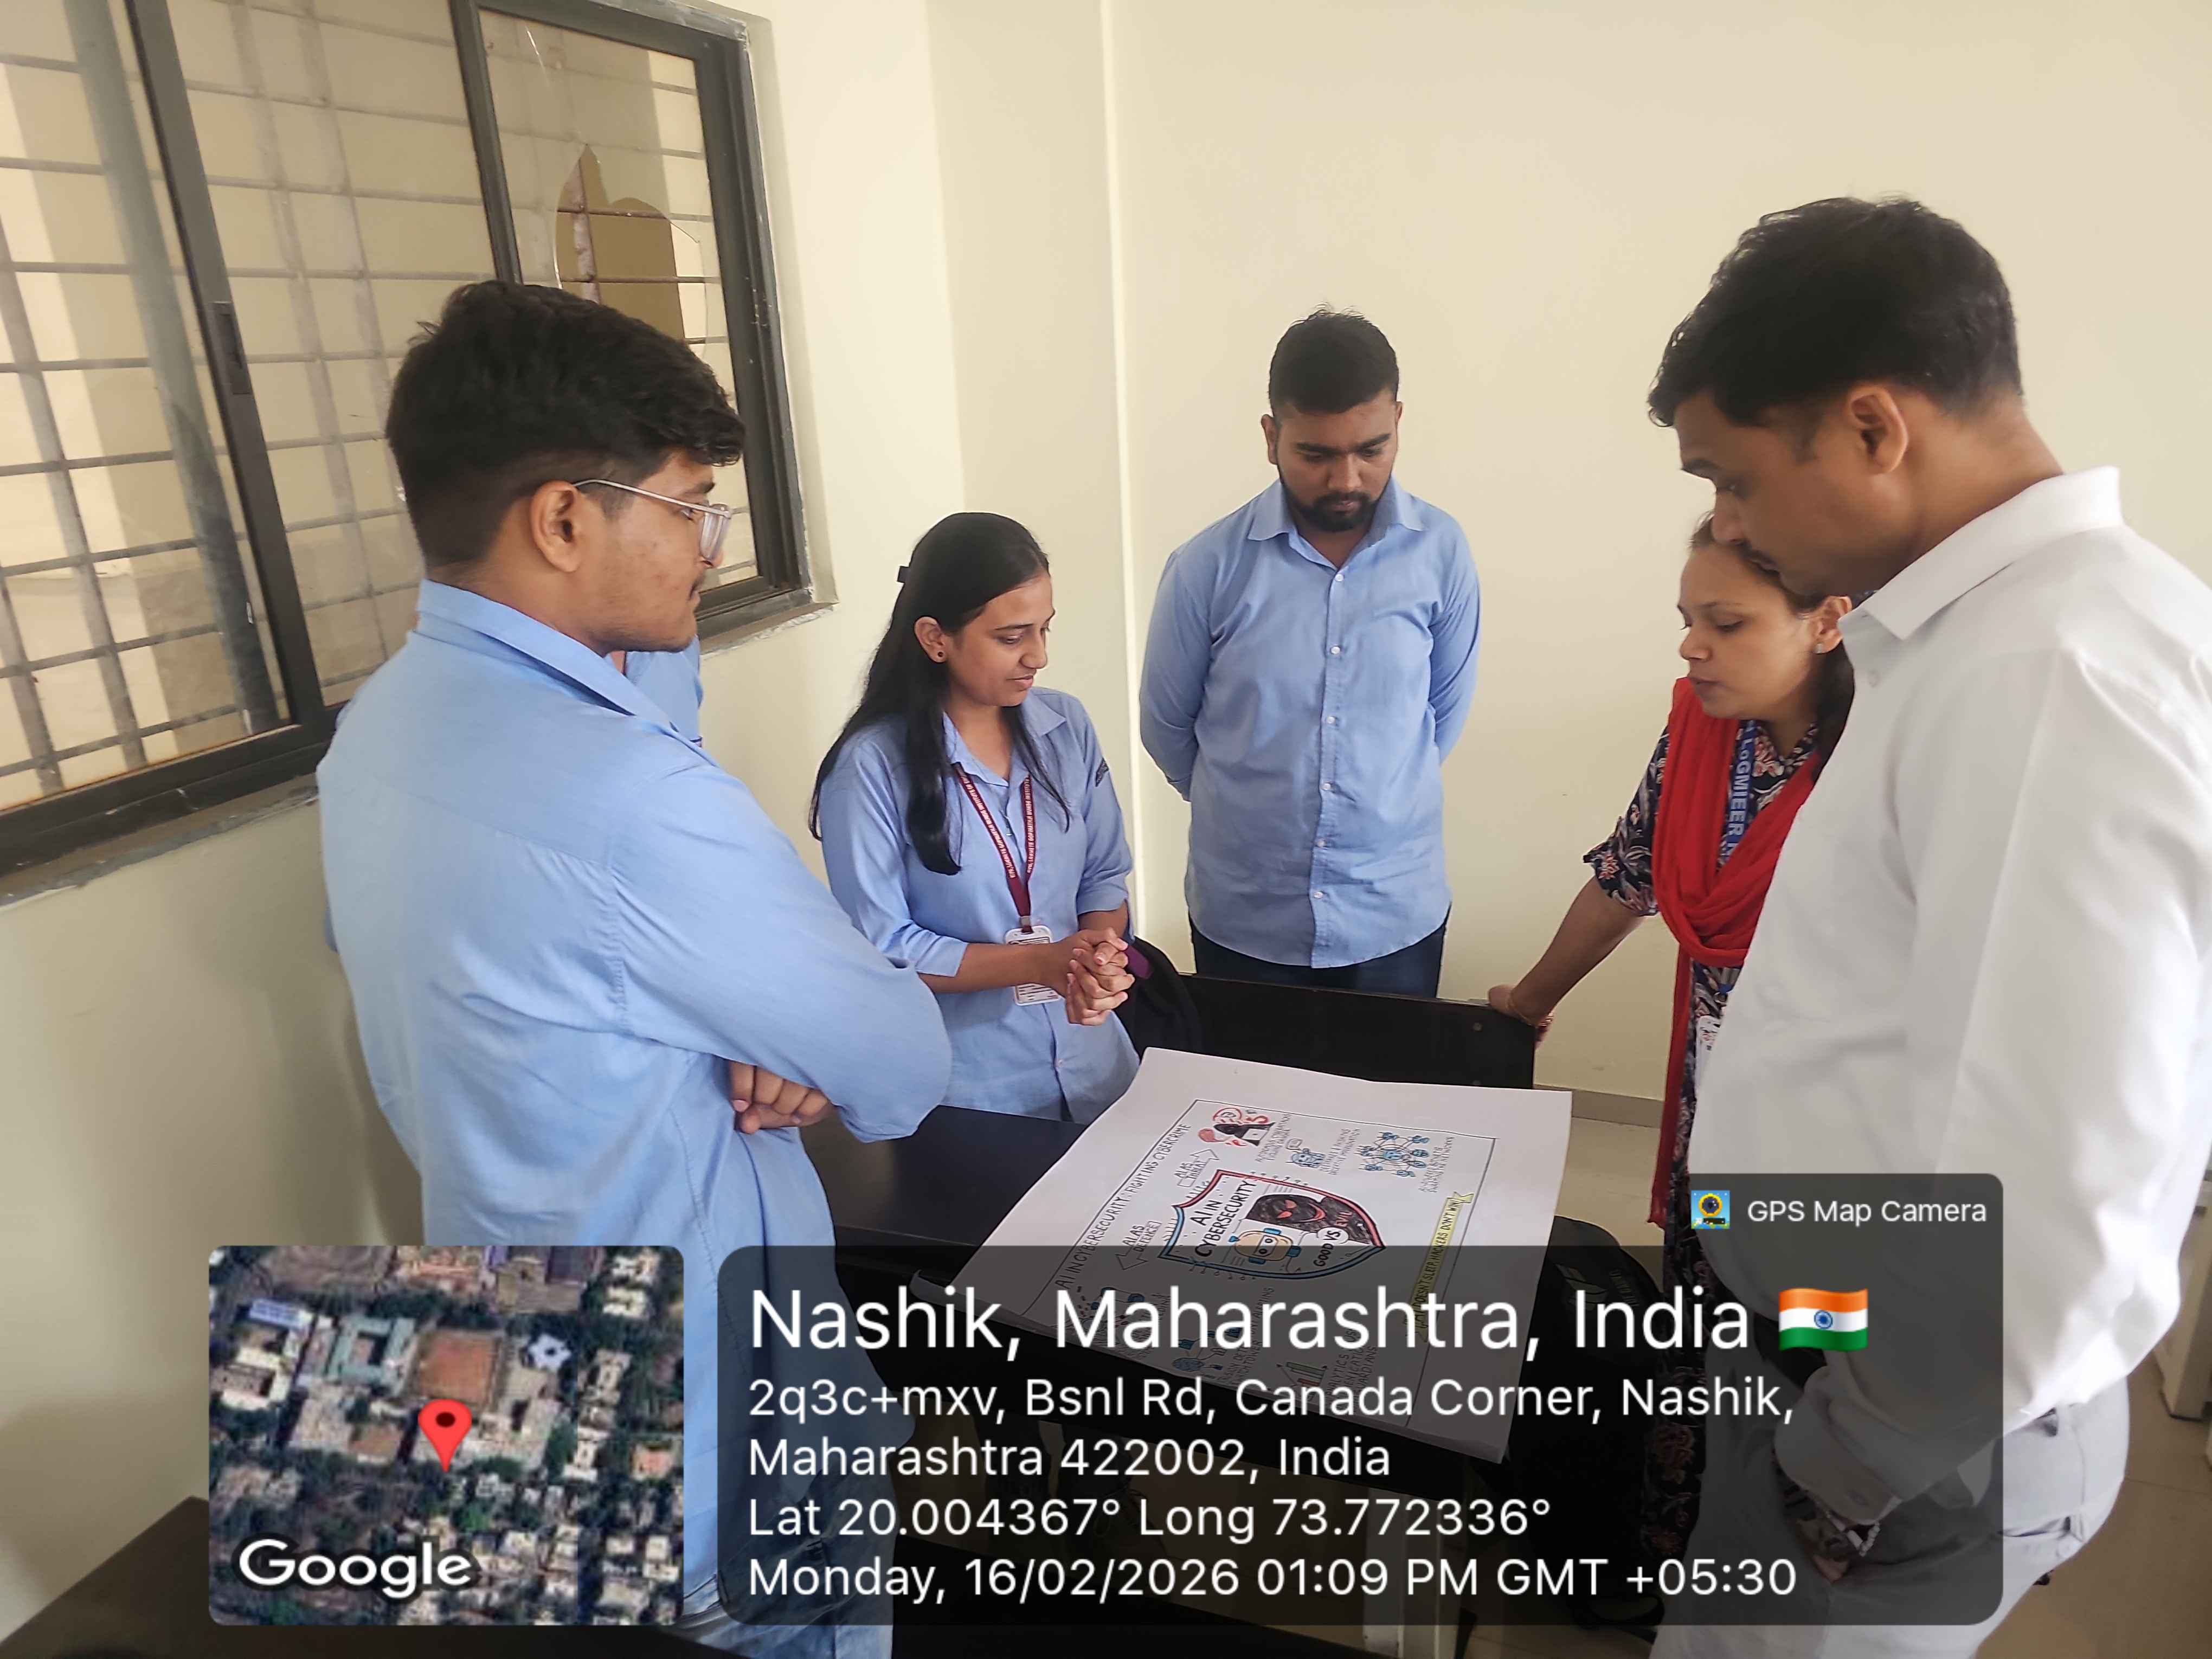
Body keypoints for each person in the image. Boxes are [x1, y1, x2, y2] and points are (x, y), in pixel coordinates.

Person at [318, 280, 951, 1654]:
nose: (708, 552)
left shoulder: (375, 736)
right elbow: (900, 1059)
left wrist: (754, 1024)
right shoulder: (629, 800)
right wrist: (798, 1041)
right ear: (563, 519)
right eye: (688, 509)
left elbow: (536, 995)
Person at [1646, 198, 2212, 1654]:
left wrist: (1846, 1462)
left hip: (1890, 1452)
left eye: (1734, 478)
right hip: (1850, 1386)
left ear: (1870, 428)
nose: (1729, 526)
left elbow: (2054, 1183)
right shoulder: (1993, 639)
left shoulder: (2047, 677)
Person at [1489, 514, 1850, 1569]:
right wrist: (1524, 1005)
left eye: (1725, 624)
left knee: (1809, 1353)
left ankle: (1789, 1566)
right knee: (1705, 1334)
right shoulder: (1702, 723)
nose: (1692, 648)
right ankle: (1676, 1559)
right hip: (1715, 1110)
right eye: (1688, 620)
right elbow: (1631, 873)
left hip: (1835, 1139)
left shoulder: (1890, 758)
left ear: (1828, 621)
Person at [1141, 309, 1481, 995]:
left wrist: (1372, 805)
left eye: (1372, 450)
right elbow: (1166, 727)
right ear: (1272, 438)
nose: (1347, 479)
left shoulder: (1441, 554)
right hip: (1246, 920)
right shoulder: (1207, 568)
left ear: (1398, 422)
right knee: (1241, 1076)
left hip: (1393, 914)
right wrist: (1251, 815)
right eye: (1317, 455)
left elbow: (1440, 716)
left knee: (1389, 1075)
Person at [813, 513, 1139, 1123]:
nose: (1039, 656)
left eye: (1044, 629)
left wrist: (1098, 955)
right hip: (970, 1095)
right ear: (936, 638)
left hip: (1097, 1070)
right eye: (1011, 637)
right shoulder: (871, 767)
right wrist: (1039, 963)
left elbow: (1104, 875)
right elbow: (885, 946)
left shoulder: (1067, 727)